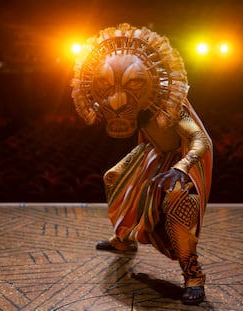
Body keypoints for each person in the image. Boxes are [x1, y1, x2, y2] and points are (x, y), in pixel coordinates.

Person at [71, 23, 213, 305]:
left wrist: (181, 168)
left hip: (179, 160)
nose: (117, 98)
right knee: (113, 176)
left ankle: (193, 274)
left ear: (145, 81)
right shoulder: (130, 102)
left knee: (177, 203)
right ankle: (124, 238)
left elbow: (201, 140)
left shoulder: (170, 104)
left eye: (133, 84)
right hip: (152, 153)